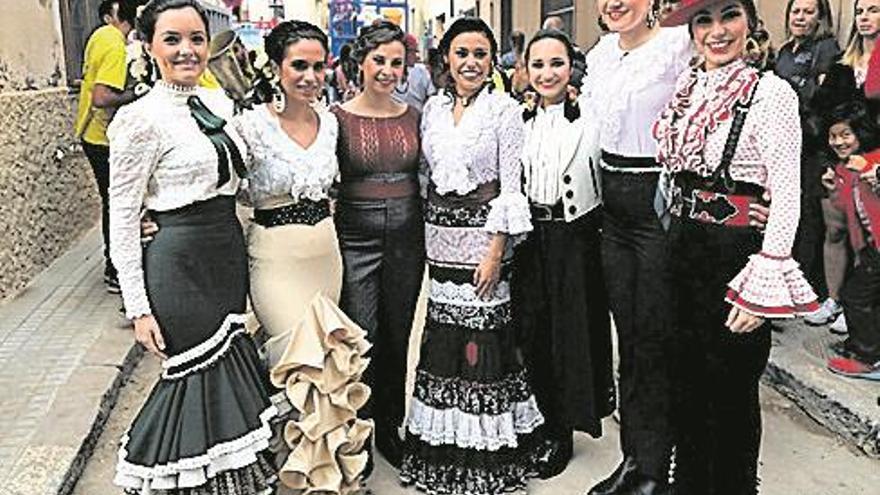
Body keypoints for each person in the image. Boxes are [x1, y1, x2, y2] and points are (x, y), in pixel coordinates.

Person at [109, 1, 276, 493]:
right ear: (148, 46)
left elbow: (239, 186)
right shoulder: (138, 120)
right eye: (172, 39)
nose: (187, 50)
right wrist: (139, 309)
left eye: (196, 39)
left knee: (228, 369)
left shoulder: (221, 105)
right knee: (192, 372)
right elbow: (122, 218)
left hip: (226, 253)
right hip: (177, 264)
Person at [655, 1, 819, 492]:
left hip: (736, 256)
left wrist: (764, 282)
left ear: (750, 22)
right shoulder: (687, 88)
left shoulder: (771, 93)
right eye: (703, 20)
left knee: (730, 395)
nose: (717, 31)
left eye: (729, 15)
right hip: (683, 248)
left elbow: (787, 194)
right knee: (685, 388)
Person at [399, 17, 544, 495]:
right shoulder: (433, 109)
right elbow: (426, 174)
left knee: (483, 339)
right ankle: (440, 452)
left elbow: (511, 185)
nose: (471, 63)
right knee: (444, 337)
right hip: (439, 238)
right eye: (462, 53)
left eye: (480, 54)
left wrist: (497, 250)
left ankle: (485, 456)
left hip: (484, 239)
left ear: (492, 60)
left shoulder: (505, 110)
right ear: (446, 58)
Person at [231, 20, 373, 493]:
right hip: (274, 258)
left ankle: (328, 476)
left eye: (318, 66)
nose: (310, 77)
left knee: (330, 364)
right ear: (276, 67)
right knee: (297, 360)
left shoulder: (330, 122)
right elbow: (218, 184)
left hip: (324, 255)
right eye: (299, 66)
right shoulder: (249, 126)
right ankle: (301, 475)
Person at [580, 1, 693, 493]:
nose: (616, 2)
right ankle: (635, 461)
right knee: (628, 338)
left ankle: (657, 470)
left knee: (655, 340)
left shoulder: (677, 46)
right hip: (612, 205)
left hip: (656, 205)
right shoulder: (602, 53)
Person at [514, 29, 614, 480]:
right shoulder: (518, 119)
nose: (547, 73)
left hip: (574, 237)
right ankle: (540, 417)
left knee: (570, 334)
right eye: (538, 64)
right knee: (532, 331)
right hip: (529, 238)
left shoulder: (592, 116)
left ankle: (562, 431)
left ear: (571, 67)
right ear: (526, 70)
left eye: (556, 63)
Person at [329, 20, 425, 471]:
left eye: (396, 62)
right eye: (379, 60)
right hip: (355, 239)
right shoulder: (337, 119)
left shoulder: (415, 116)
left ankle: (390, 427)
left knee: (398, 333)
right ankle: (359, 432)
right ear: (362, 63)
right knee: (361, 336)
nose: (388, 70)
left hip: (408, 238)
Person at [812, 0, 880, 332]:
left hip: (873, 163)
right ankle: (834, 300)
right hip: (838, 158)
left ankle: (859, 308)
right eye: (860, 11)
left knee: (867, 237)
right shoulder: (842, 65)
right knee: (836, 229)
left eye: (874, 10)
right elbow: (822, 111)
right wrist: (829, 158)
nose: (865, 17)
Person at [774, 0, 841, 323]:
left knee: (812, 220)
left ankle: (810, 292)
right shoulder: (784, 51)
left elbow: (822, 100)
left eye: (808, 11)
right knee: (788, 216)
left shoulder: (826, 48)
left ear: (820, 17)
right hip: (784, 147)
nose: (800, 17)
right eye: (796, 11)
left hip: (814, 147)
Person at [75, 0, 139, 293]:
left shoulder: (100, 35)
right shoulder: (114, 42)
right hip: (104, 138)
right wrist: (136, 93)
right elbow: (101, 97)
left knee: (112, 202)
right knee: (119, 204)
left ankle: (114, 267)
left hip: (92, 134)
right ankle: (116, 270)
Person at [820, 102, 880, 380]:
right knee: (865, 296)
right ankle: (865, 345)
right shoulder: (843, 169)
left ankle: (868, 358)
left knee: (856, 297)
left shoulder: (874, 160)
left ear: (860, 134)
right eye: (833, 136)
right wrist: (834, 188)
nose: (839, 142)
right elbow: (847, 213)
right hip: (870, 247)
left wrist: (873, 171)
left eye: (846, 134)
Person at [392, 33, 436, 111]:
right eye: (413, 52)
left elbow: (432, 97)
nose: (416, 56)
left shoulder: (421, 71)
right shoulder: (388, 73)